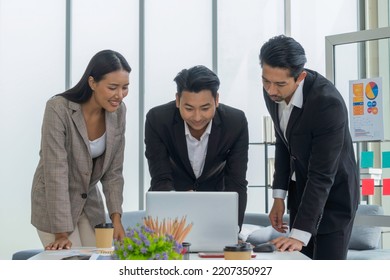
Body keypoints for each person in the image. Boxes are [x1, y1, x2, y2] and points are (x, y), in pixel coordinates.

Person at [259, 35, 359, 260]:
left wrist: (300, 233)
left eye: (280, 84)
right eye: (266, 81)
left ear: (300, 77)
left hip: (334, 198)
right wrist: (278, 196)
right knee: (298, 264)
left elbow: (322, 174)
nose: (271, 90)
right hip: (302, 194)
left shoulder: (326, 104)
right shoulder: (272, 92)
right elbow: (284, 142)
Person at [31, 50, 131, 250]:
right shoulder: (58, 108)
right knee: (72, 263)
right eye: (113, 87)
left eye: (125, 88)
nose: (119, 95)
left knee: (99, 259)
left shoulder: (118, 112)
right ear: (92, 83)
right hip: (54, 202)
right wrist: (60, 233)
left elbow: (113, 173)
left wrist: (116, 219)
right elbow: (56, 171)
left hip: (89, 201)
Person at [144, 65, 249, 228]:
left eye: (205, 108)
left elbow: (236, 181)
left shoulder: (235, 122)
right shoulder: (157, 120)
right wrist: (179, 202)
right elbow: (160, 177)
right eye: (189, 108)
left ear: (217, 100)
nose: (198, 117)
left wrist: (234, 230)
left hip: (217, 204)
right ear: (178, 100)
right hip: (172, 204)